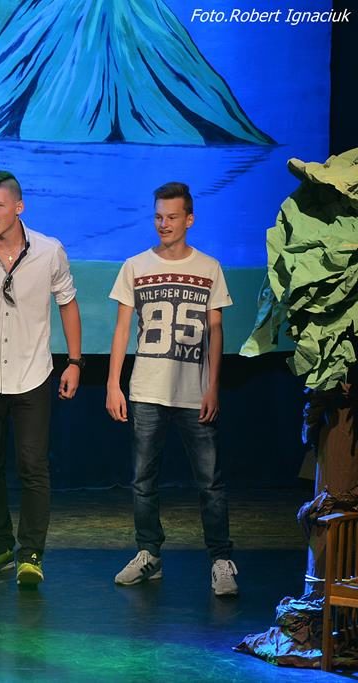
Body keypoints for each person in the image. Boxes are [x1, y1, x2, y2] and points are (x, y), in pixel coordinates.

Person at [0, 170, 82, 586]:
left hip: (32, 374)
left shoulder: (49, 251)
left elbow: (68, 304)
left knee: (33, 466)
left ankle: (32, 553)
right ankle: (0, 545)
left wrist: (75, 361)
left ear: (18, 207)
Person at [106, 182, 237, 596]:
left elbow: (216, 331)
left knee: (210, 482)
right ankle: (149, 554)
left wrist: (213, 386)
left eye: (172, 217)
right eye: (159, 216)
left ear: (189, 219)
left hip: (194, 392)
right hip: (146, 390)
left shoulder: (209, 267)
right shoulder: (135, 265)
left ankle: (221, 560)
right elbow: (122, 329)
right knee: (143, 480)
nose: (164, 224)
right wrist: (113, 384)